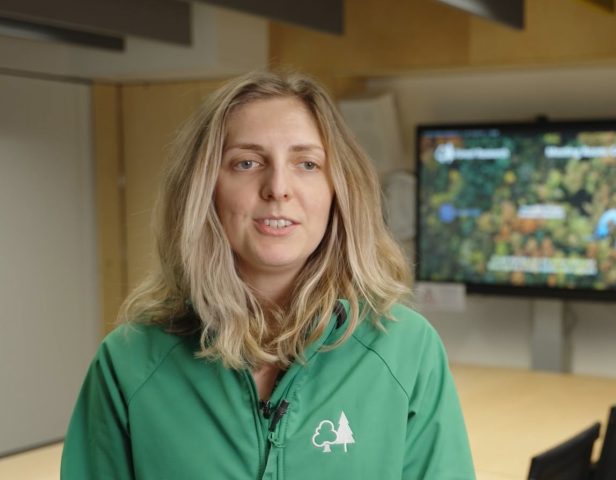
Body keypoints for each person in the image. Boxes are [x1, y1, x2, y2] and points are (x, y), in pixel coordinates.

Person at [61, 70, 475, 479]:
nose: (278, 187)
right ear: (204, 188)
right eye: (247, 162)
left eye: (307, 164)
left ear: (338, 190)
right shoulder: (129, 361)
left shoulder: (407, 351)